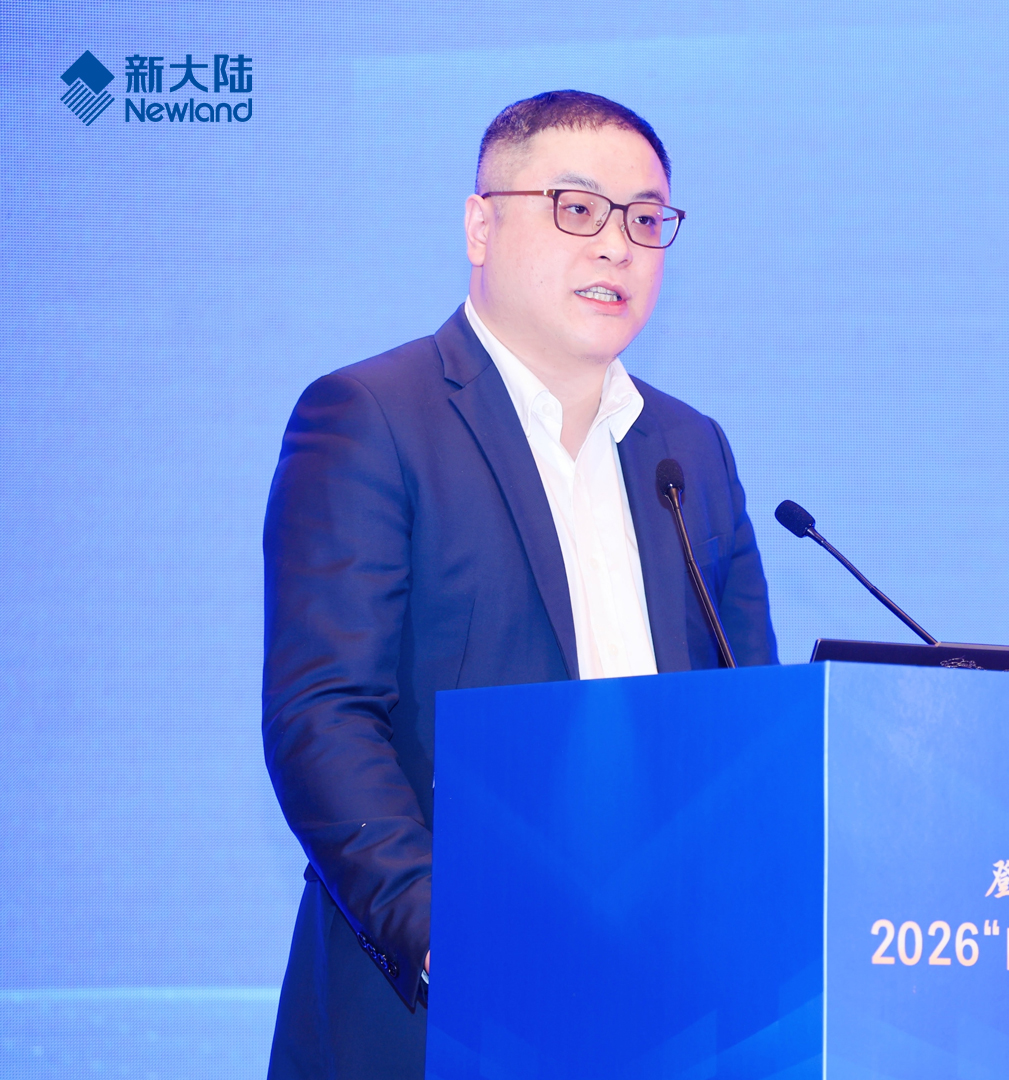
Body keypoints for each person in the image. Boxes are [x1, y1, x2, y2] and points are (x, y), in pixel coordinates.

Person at [261, 90, 776, 1078]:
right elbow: (323, 715)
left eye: (644, 219)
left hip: (666, 1002)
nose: (616, 245)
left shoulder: (690, 451)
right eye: (577, 209)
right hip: (445, 1004)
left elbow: (747, 721)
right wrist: (446, 933)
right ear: (480, 225)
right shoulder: (372, 416)